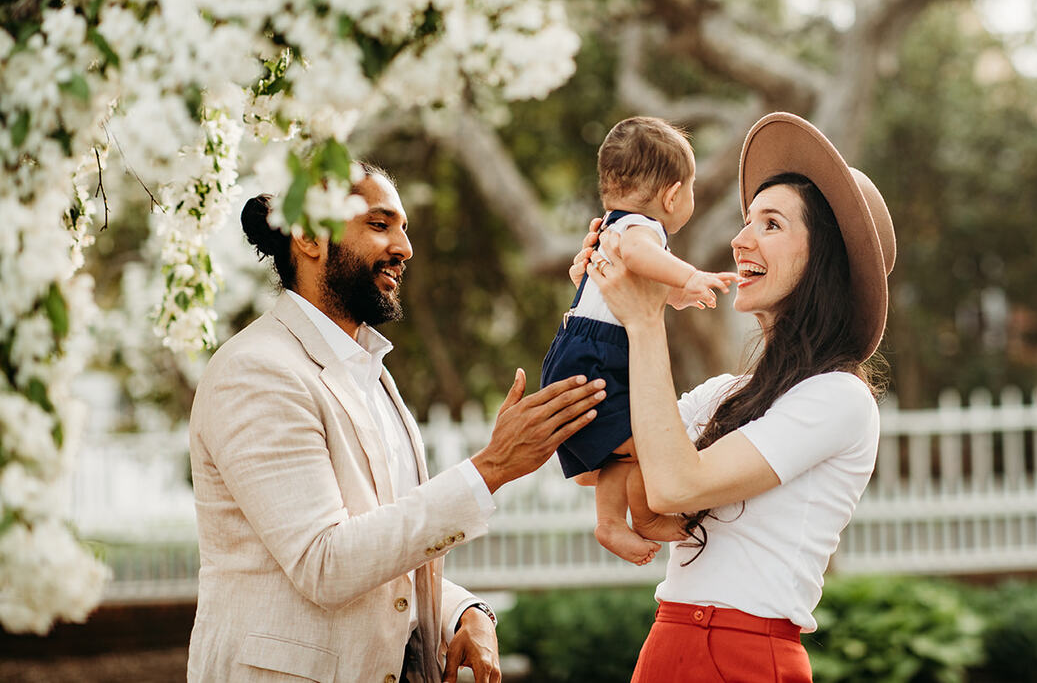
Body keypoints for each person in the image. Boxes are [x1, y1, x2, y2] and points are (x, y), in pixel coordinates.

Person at [187, 164, 605, 683]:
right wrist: (491, 468)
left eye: (404, 228)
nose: (405, 248)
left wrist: (464, 611)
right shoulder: (256, 370)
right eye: (381, 225)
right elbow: (325, 562)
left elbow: (383, 544)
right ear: (310, 237)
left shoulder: (369, 371)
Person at [584, 112, 896, 683]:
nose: (740, 239)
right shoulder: (726, 395)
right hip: (667, 643)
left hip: (745, 658)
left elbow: (677, 484)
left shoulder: (840, 399)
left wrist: (645, 320)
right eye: (747, 219)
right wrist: (597, 304)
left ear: (821, 260)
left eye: (771, 225)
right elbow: (596, 460)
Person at [541, 117, 738, 564]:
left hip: (583, 347)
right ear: (673, 194)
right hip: (597, 353)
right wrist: (691, 274)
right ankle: (644, 516)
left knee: (622, 449)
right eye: (691, 189)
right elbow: (638, 256)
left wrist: (678, 294)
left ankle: (611, 522)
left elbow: (638, 278)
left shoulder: (615, 224)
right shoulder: (641, 231)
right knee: (640, 441)